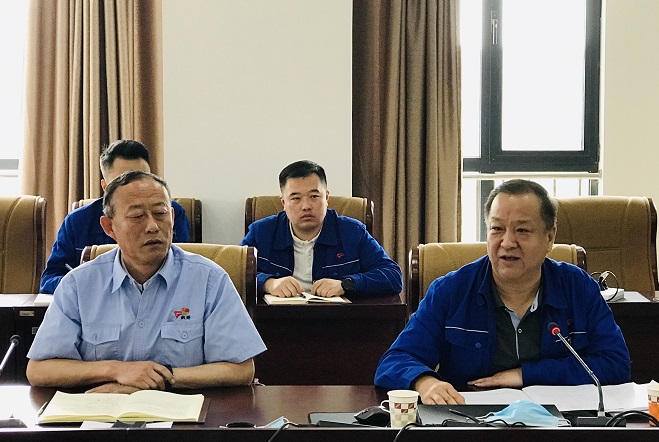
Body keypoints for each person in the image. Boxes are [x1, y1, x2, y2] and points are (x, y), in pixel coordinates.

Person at [375, 179, 630, 404]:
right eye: (497, 229)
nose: (507, 243)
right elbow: (395, 360)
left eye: (522, 230)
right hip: (471, 423)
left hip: (560, 425)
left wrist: (526, 375)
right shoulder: (451, 290)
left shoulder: (578, 288)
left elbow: (615, 363)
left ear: (550, 238)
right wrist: (425, 382)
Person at [27, 171, 266, 392]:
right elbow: (39, 370)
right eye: (137, 216)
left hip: (184, 415)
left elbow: (241, 369)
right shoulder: (79, 284)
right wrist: (116, 371)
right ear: (109, 227)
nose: (152, 226)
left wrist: (158, 379)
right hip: (101, 413)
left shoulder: (209, 280)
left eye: (160, 214)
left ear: (172, 217)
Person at [39, 140, 190, 294]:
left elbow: (182, 267)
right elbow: (50, 279)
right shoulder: (77, 221)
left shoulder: (171, 213)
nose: (136, 189)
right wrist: (88, 283)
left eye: (142, 178)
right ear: (105, 187)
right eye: (124, 182)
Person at [241, 160, 402, 298]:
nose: (306, 206)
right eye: (296, 198)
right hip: (277, 318)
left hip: (337, 318)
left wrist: (346, 284)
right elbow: (235, 274)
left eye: (314, 196)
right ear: (283, 202)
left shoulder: (352, 232)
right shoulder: (261, 232)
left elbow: (393, 275)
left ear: (326, 197)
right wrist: (268, 283)